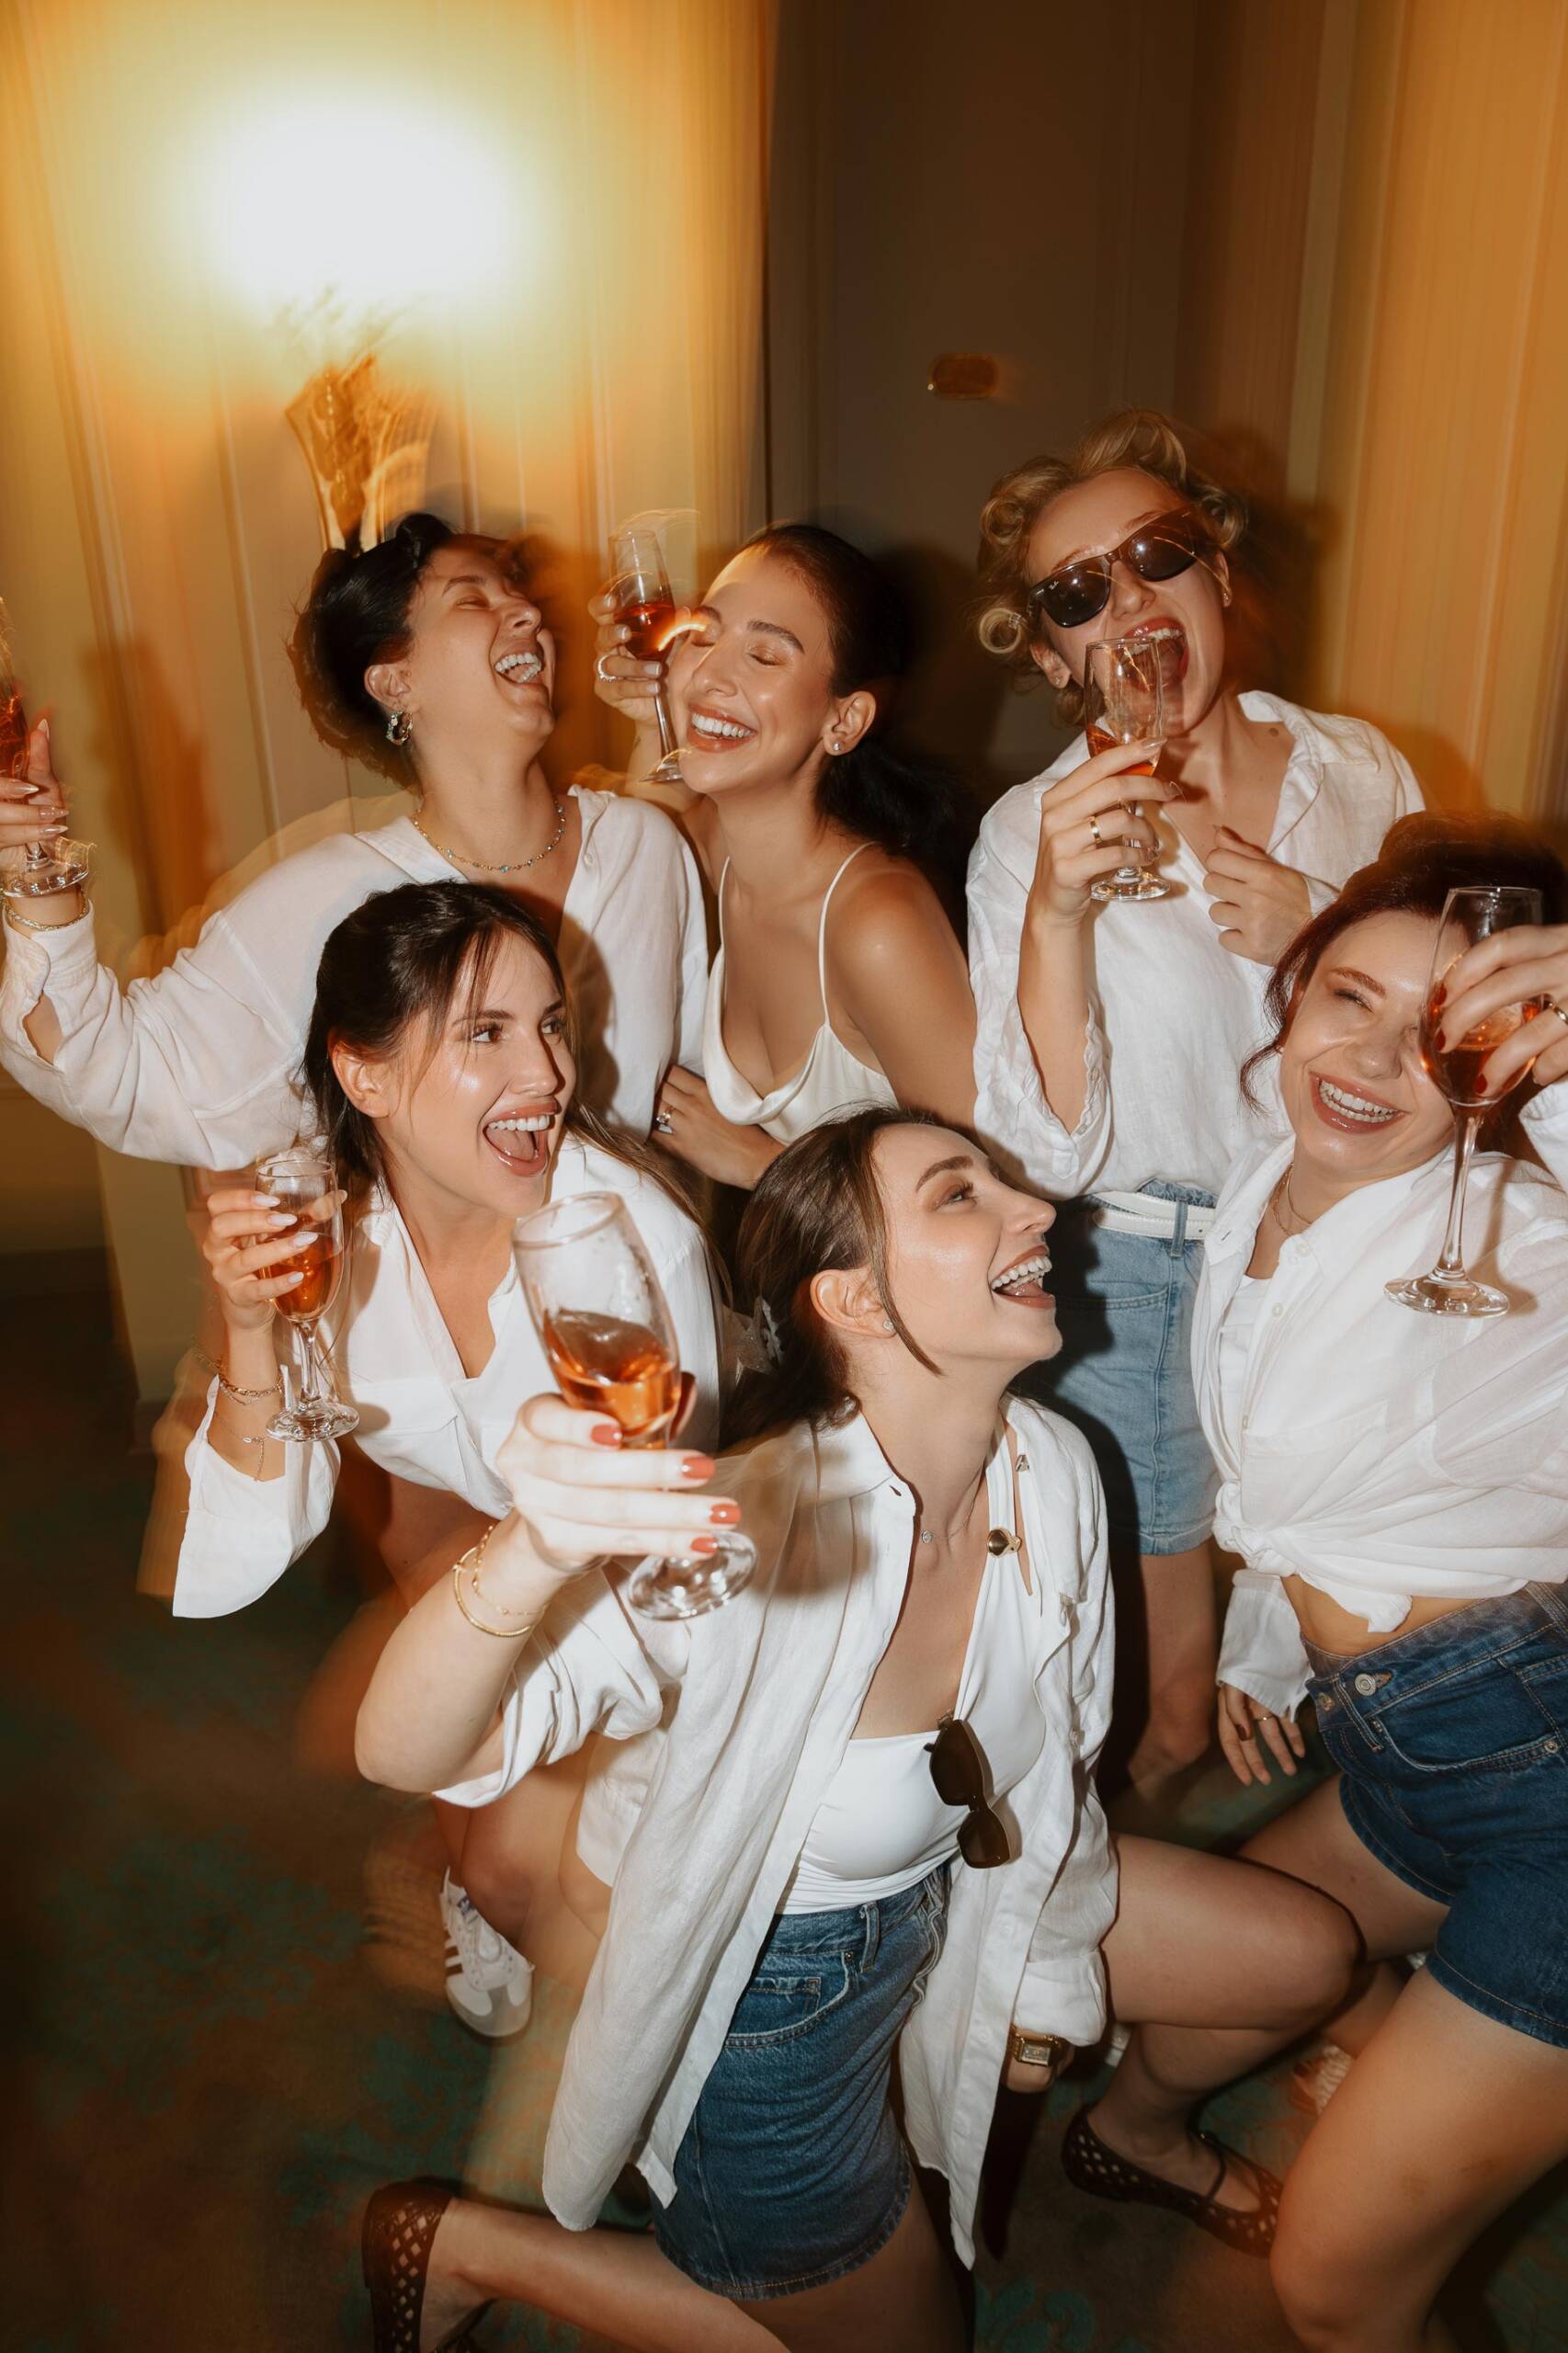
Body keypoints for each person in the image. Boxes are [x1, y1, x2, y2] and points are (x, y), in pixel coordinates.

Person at [354, 1108, 1358, 2353]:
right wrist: (534, 1546)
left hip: (960, 1886)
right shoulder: (745, 1529)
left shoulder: (1051, 1465)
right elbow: (407, 1753)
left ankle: (1131, 2136)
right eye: (959, 1194)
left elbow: (1060, 1764)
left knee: (1301, 1956)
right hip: (765, 1995)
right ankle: (469, 2246)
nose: (1036, 1207)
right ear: (855, 1300)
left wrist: (1043, 1988)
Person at [966, 409, 1424, 1797]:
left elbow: (1441, 1023)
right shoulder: (1025, 835)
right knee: (1167, 1709)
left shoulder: (1359, 774)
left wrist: (1321, 930)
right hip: (1145, 1275)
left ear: (1216, 570)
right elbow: (1041, 1150)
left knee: (1350, 1609)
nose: (1127, 600)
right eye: (1075, 591)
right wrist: (1057, 912)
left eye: (1156, 553)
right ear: (1054, 656)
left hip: (1346, 1250)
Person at [178, 881, 722, 2040]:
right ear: (364, 1075)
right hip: (463, 1540)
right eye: (486, 1032)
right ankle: (463, 1851)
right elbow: (250, 1543)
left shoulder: (627, 1242)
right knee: (419, 1774)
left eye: (551, 1024)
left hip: (623, 1573)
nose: (549, 1073)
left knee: (534, 1884)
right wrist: (251, 1328)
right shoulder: (320, 1232)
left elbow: (671, 1533)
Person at [1197, 817, 1568, 2353]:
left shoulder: (1514, 1244)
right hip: (1401, 1752)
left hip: (1541, 1773)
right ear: (1291, 992)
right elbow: (1288, 1490)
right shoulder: (1258, 1192)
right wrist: (1259, 1647)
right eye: (1348, 995)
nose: (1371, 1056)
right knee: (1203, 1977)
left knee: (1333, 2286)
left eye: (1440, 1031)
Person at [0, 514, 707, 1160]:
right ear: (395, 684)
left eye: (516, 595)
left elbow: (706, 1060)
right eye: (472, 600)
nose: (528, 613)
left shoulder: (642, 847)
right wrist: (34, 862)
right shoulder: (333, 900)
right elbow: (127, 1073)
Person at [594, 524, 978, 1188]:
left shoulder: (877, 922)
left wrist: (763, 1167)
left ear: (843, 721)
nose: (710, 673)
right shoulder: (713, 854)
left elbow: (975, 1190)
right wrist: (648, 714)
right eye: (703, 635)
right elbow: (637, 852)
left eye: (765, 656)